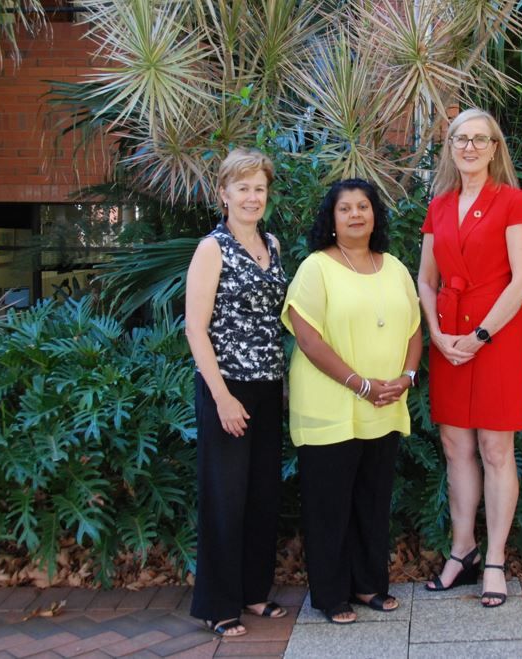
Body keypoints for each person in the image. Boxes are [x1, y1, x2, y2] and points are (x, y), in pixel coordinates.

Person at [282, 178, 423, 625]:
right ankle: (330, 595)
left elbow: (414, 329)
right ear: (333, 217)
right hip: (331, 408)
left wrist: (406, 377)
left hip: (384, 406)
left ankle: (369, 585)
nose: (356, 214)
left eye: (364, 206)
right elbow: (307, 337)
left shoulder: (396, 267)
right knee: (330, 505)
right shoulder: (316, 268)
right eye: (346, 208)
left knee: (373, 501)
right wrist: (360, 384)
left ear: (375, 215)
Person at [418, 108, 522, 608]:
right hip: (448, 337)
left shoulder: (512, 201)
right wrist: (437, 334)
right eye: (459, 139)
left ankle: (493, 559)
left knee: (495, 449)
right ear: (449, 147)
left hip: (498, 337)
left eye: (479, 139)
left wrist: (483, 333)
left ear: (495, 147)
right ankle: (461, 549)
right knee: (455, 447)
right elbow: (425, 278)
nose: (469, 147)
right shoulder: (439, 205)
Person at [184, 148, 289, 637]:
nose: (252, 197)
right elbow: (195, 328)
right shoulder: (213, 248)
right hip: (226, 388)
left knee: (262, 495)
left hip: (269, 387)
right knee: (225, 497)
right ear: (223, 193)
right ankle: (217, 604)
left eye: (259, 188)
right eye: (242, 188)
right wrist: (222, 397)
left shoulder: (274, 243)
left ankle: (253, 592)